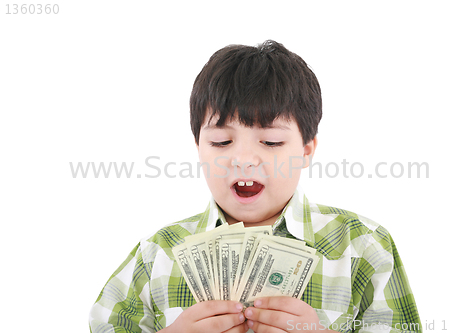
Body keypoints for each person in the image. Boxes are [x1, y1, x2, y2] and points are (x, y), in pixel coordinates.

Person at [89, 40, 421, 333]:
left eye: (271, 141)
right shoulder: (158, 253)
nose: (244, 159)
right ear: (198, 148)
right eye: (221, 142)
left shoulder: (362, 246)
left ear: (306, 150)